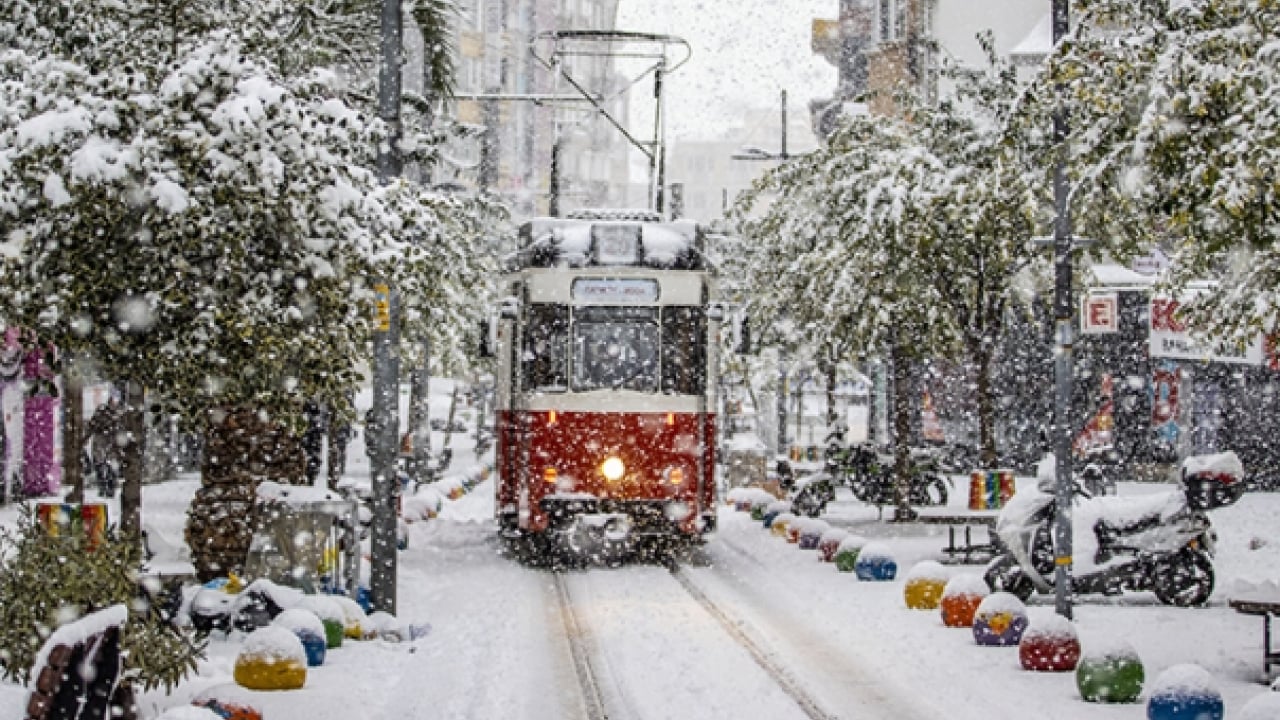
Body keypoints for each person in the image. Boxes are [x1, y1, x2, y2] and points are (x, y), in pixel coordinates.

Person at [87, 397, 122, 498]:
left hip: (110, 440)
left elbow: (91, 425)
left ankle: (108, 487)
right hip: (103, 439)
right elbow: (92, 425)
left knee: (108, 465)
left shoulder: (116, 413)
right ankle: (104, 487)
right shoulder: (104, 412)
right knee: (101, 464)